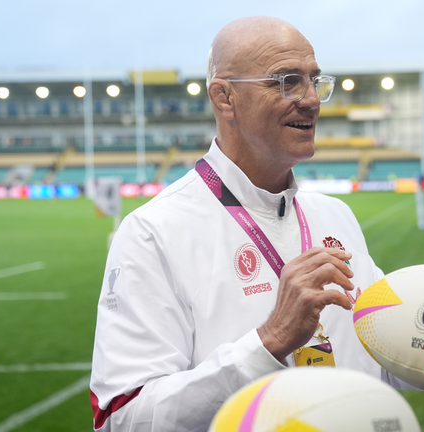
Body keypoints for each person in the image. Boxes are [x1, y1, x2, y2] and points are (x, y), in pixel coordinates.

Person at [89, 17, 393, 431]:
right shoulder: (153, 232)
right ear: (224, 98)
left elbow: (382, 359)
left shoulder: (335, 214)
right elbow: (121, 419)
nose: (311, 99)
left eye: (314, 80)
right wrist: (269, 341)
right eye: (286, 81)